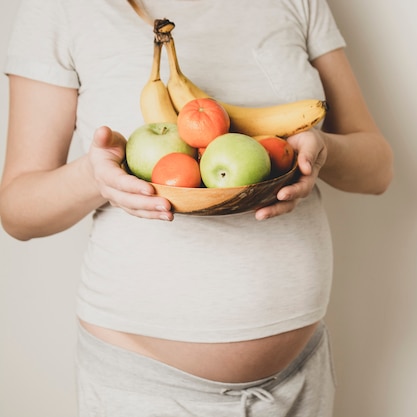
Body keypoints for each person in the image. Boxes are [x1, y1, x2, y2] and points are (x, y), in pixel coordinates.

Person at [1, 0, 393, 415]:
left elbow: (377, 171)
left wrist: (322, 150)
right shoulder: (59, 8)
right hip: (143, 390)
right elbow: (17, 212)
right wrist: (94, 177)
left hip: (298, 382)